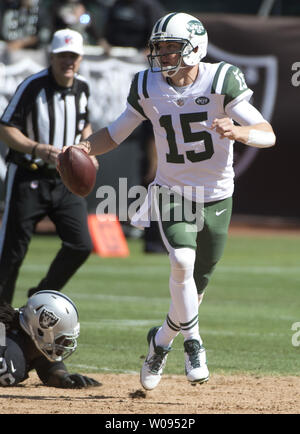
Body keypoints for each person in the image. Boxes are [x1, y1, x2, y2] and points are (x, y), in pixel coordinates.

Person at [64, 12, 276, 389]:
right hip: (171, 191)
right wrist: (83, 147)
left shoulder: (221, 79)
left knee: (196, 286)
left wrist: (240, 130)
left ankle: (160, 341)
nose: (162, 55)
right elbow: (114, 134)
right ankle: (194, 343)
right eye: (159, 47)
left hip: (216, 196)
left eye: (170, 47)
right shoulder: (147, 86)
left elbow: (267, 134)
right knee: (181, 260)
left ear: (195, 49)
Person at [0, 28, 98, 304]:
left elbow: (84, 125)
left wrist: (90, 151)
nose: (69, 61)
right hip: (28, 176)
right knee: (12, 252)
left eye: (73, 56)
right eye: (62, 56)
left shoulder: (82, 87)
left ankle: (40, 296)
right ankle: (2, 325)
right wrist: (36, 148)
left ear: (80, 59)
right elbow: (6, 127)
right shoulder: (33, 86)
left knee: (81, 245)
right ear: (51, 57)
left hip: (65, 180)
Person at [0, 290, 100, 388]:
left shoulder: (24, 338)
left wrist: (63, 377)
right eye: (63, 339)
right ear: (42, 331)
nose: (67, 344)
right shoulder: (10, 359)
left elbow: (45, 362)